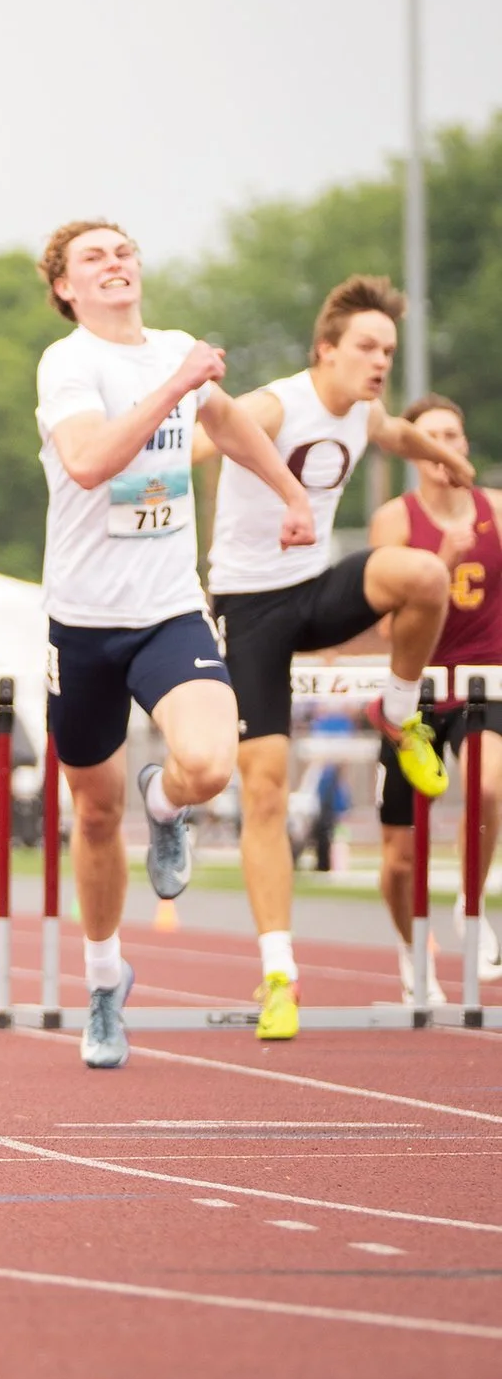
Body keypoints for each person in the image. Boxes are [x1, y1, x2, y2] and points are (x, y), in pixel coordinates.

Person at [31, 221, 314, 1070]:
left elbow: (226, 424)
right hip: (81, 623)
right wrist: (176, 387)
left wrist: (291, 492)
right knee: (93, 810)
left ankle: (169, 804)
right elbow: (89, 463)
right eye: (94, 259)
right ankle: (106, 982)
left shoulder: (179, 350)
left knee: (212, 762)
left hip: (166, 611)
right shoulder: (70, 363)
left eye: (123, 252)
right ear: (66, 289)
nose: (114, 265)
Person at [197, 276, 467, 1038]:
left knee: (422, 574)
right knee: (266, 790)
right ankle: (280, 972)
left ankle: (400, 712)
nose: (380, 361)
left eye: (388, 349)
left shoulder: (365, 408)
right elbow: (207, 432)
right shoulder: (279, 404)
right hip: (251, 610)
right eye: (366, 348)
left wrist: (453, 466)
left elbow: (396, 434)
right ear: (327, 351)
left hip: (313, 590)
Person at [366, 392, 502, 1002]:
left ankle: (472, 911)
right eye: (433, 437)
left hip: (484, 687)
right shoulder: (397, 519)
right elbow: (389, 628)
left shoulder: (495, 511)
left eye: (455, 434)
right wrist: (437, 568)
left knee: (489, 787)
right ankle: (411, 950)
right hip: (415, 691)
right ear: (415, 452)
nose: (446, 446)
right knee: (398, 858)